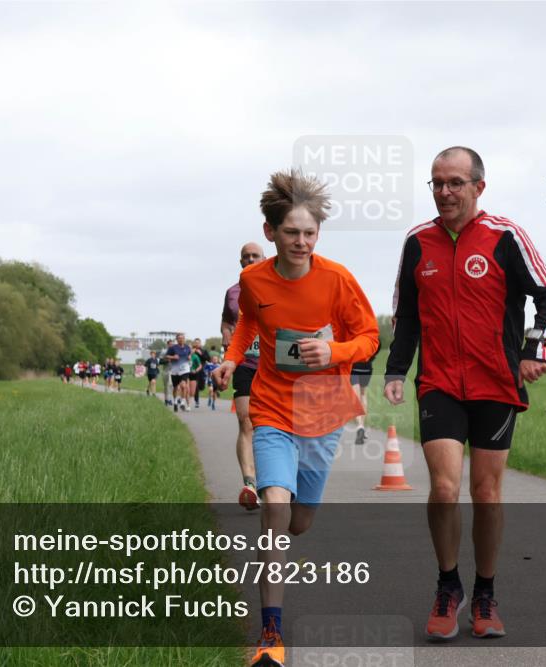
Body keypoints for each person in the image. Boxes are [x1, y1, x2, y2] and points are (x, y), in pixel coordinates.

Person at [384, 146, 546, 641]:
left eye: (455, 183)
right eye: (437, 183)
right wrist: (397, 368)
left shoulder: (506, 237)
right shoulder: (417, 242)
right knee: (444, 489)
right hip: (439, 381)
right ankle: (449, 585)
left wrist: (536, 348)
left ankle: (485, 591)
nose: (444, 192)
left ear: (478, 187)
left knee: (485, 493)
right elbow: (406, 314)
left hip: (495, 382)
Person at [213, 169, 379, 667]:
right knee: (276, 512)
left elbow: (369, 337)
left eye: (309, 233)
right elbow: (248, 322)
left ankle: (277, 541)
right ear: (271, 233)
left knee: (298, 521)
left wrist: (332, 351)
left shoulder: (338, 279)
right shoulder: (252, 279)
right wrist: (230, 357)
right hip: (271, 411)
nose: (302, 242)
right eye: (291, 232)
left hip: (323, 414)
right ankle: (271, 635)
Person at [221, 242, 266, 511]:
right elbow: (227, 320)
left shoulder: (281, 285)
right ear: (241, 262)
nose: (250, 259)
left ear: (264, 258)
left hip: (276, 366)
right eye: (246, 257)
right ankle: (250, 484)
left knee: (276, 426)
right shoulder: (232, 293)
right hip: (246, 363)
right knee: (246, 422)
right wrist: (227, 333)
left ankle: (277, 482)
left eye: (255, 256)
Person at [349, 339, 381, 444]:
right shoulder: (371, 335)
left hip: (354, 368)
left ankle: (359, 426)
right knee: (363, 395)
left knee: (356, 398)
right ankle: (362, 425)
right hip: (367, 368)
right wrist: (370, 358)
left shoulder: (354, 336)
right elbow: (378, 346)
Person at [165, 334, 192, 412]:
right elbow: (166, 356)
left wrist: (189, 356)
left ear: (184, 339)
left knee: (184, 386)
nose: (181, 339)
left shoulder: (187, 347)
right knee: (175, 387)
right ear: (177, 339)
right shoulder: (172, 348)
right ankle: (175, 401)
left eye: (182, 338)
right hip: (175, 370)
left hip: (185, 369)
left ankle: (183, 402)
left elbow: (190, 353)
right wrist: (173, 357)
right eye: (179, 338)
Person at [189, 338, 206, 408]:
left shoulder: (203, 351)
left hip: (201, 371)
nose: (197, 344)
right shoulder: (192, 351)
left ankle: (193, 398)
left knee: (201, 386)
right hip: (193, 371)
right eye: (195, 343)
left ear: (200, 343)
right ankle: (196, 401)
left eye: (198, 343)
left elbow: (207, 358)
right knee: (195, 387)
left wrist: (201, 354)